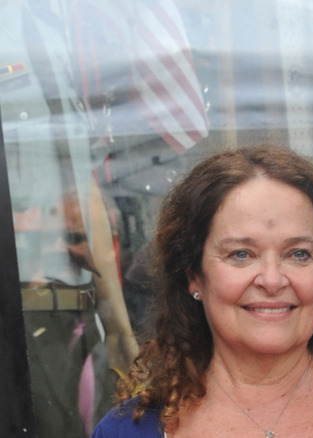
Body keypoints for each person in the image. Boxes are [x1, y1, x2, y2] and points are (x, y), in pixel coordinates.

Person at [92, 144, 313, 437]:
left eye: (298, 254)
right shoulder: (125, 432)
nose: (272, 279)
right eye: (241, 255)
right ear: (194, 275)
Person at [1, 1, 137, 436]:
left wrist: (116, 328)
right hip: (20, 322)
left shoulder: (51, 24)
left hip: (74, 322)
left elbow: (82, 189)